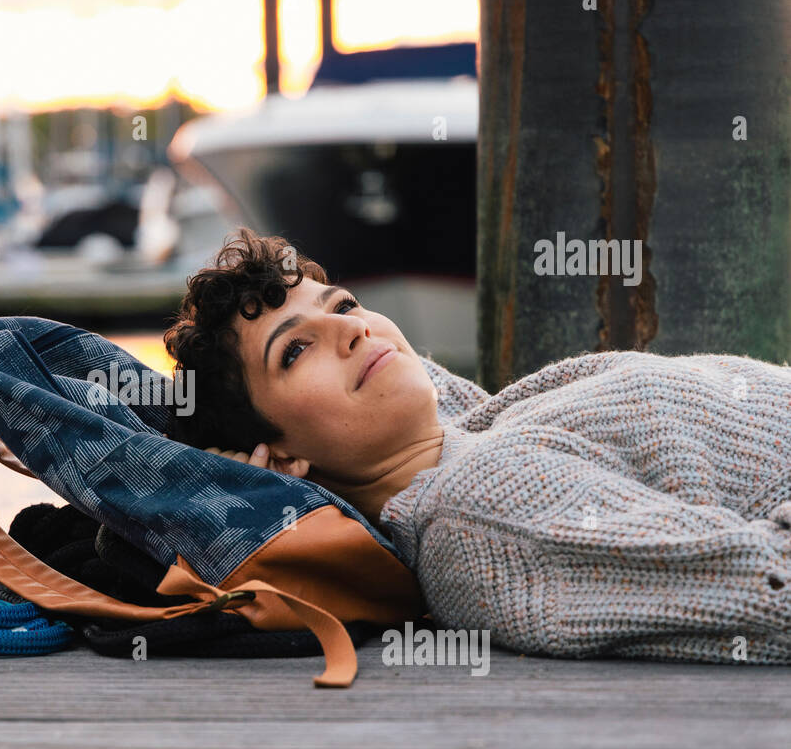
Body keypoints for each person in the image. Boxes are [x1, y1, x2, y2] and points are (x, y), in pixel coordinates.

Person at [163, 227, 791, 665]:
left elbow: (424, 383)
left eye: (345, 304)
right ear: (282, 456)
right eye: (295, 350)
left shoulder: (467, 426)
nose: (351, 329)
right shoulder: (481, 517)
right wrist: (261, 498)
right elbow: (768, 589)